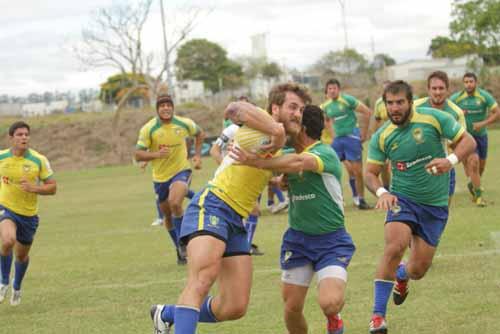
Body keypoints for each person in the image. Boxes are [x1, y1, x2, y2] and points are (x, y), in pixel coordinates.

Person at [150, 83, 311, 334]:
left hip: (237, 219)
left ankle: (167, 313)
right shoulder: (260, 120)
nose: (297, 114)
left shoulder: (284, 142)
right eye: (292, 107)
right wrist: (276, 130)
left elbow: (289, 164)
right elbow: (233, 108)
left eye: (301, 110)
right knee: (202, 279)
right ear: (275, 107)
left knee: (235, 306)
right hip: (213, 204)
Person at [230, 104, 355, 334]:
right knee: (291, 307)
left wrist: (254, 161)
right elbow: (279, 168)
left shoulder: (324, 153)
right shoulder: (287, 154)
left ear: (304, 128)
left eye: (296, 119)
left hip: (331, 241)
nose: (289, 123)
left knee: (330, 303)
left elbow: (298, 164)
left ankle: (334, 318)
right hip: (298, 241)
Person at [364, 81, 476, 334]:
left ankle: (402, 275)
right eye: (390, 103)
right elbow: (370, 173)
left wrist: (450, 160)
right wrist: (383, 192)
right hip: (402, 200)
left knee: (419, 269)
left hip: (434, 206)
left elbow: (468, 141)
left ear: (410, 102)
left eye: (399, 102)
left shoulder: (434, 118)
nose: (394, 108)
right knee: (395, 246)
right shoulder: (382, 136)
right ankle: (378, 316)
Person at [135, 95, 204, 265]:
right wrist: (155, 155)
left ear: (173, 108)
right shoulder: (148, 129)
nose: (166, 108)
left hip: (181, 171)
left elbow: (200, 133)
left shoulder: (184, 123)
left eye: (168, 105)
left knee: (175, 203)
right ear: (157, 109)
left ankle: (184, 242)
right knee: (167, 215)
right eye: (162, 106)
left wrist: (196, 155)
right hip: (160, 178)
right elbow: (138, 154)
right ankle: (179, 249)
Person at [0, 121, 57, 306]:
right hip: (6, 208)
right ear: (11, 138)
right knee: (7, 240)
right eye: (19, 135)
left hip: (28, 216)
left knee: (22, 256)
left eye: (26, 134)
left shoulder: (38, 160)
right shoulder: (2, 158)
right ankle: (3, 282)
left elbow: (53, 187)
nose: (24, 137)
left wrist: (34, 188)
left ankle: (16, 287)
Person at [209, 114, 264, 256]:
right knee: (252, 210)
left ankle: (242, 245)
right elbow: (214, 150)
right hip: (230, 179)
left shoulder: (260, 132)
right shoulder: (232, 130)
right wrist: (225, 167)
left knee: (251, 211)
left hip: (248, 177)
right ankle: (243, 246)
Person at [414, 71, 466, 205]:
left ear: (447, 90)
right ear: (428, 90)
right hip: (417, 167)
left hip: (444, 167)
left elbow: (463, 143)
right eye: (434, 88)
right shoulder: (414, 107)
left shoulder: (456, 112)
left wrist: (450, 158)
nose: (437, 92)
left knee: (442, 212)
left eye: (441, 88)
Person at [321, 78, 372, 209]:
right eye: (329, 89)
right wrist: (332, 135)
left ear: (339, 89)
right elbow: (326, 120)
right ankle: (338, 200)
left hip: (352, 138)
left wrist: (364, 133)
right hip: (338, 141)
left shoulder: (347, 100)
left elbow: (367, 111)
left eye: (334, 88)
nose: (332, 91)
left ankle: (361, 200)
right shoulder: (325, 106)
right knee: (332, 170)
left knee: (357, 171)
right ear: (326, 91)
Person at [450, 72, 499, 206]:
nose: (468, 84)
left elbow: (497, 112)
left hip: (481, 136)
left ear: (476, 83)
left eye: (471, 81)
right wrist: (458, 113)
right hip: (465, 137)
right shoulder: (457, 98)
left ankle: (473, 184)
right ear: (463, 83)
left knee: (480, 167)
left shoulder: (484, 96)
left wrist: (482, 124)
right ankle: (478, 197)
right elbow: (446, 113)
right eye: (466, 82)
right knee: (474, 162)